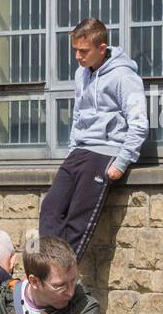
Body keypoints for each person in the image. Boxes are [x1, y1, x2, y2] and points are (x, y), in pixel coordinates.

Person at [39, 18, 148, 260]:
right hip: (79, 152)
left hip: (105, 152)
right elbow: (78, 115)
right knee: (50, 208)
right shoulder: (82, 74)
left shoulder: (123, 76)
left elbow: (139, 122)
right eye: (75, 50)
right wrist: (71, 151)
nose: (77, 56)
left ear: (101, 48)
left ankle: (60, 275)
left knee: (79, 217)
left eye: (83, 51)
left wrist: (121, 162)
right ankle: (45, 268)